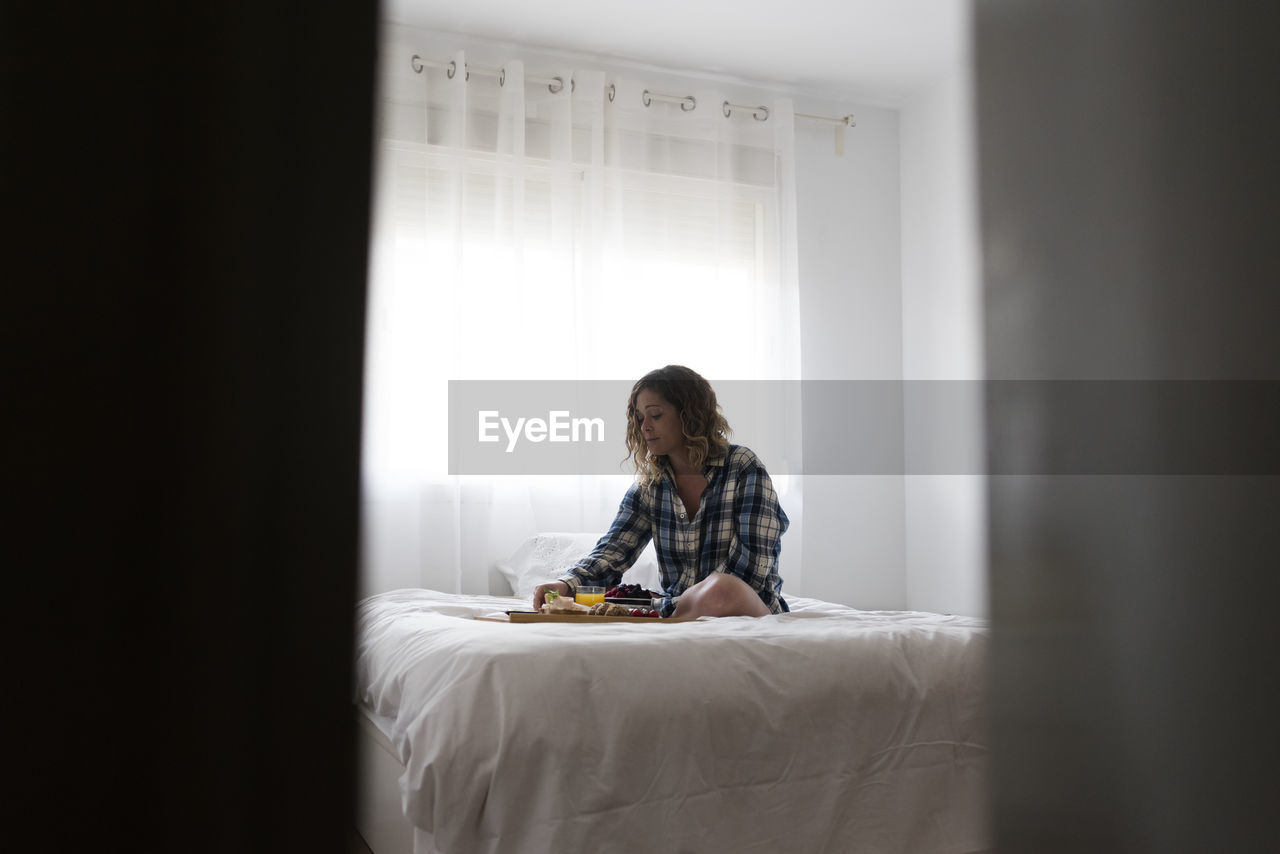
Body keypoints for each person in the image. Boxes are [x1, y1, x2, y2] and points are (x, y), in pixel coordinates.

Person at [532, 365, 789, 619]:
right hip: (680, 610)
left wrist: (667, 605)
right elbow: (614, 550)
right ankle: (678, 621)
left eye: (655, 415)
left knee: (723, 588)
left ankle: (676, 619)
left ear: (690, 415)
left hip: (746, 606)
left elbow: (751, 570)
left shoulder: (743, 467)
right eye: (640, 418)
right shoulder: (650, 486)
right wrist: (566, 584)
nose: (645, 427)